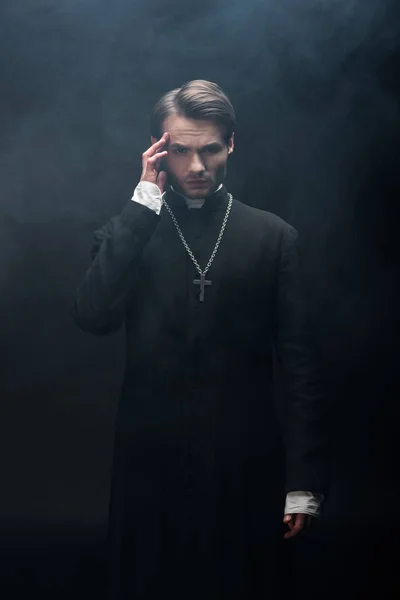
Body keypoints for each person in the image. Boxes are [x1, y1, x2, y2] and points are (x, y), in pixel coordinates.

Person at [71, 79, 330, 600]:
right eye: (181, 151)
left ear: (230, 144)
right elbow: (92, 315)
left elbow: (301, 366)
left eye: (210, 149)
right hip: (149, 464)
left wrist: (303, 482)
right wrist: (144, 201)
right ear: (157, 152)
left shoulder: (273, 237)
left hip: (244, 461)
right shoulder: (128, 231)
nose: (196, 167)